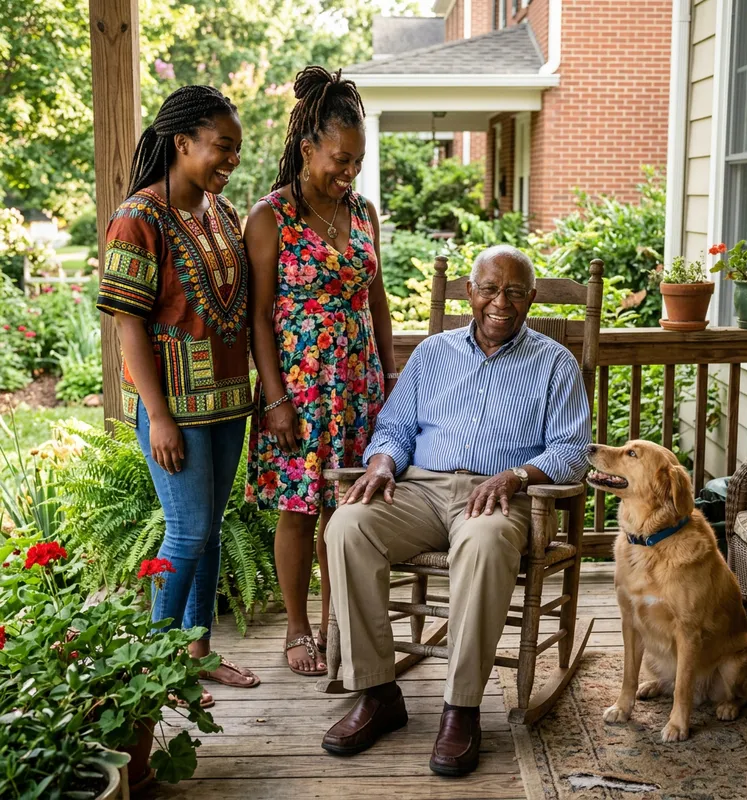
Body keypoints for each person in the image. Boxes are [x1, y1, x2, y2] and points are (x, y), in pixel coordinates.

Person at [321, 245, 591, 775]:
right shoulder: (432, 354)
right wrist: (380, 464)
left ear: (531, 299)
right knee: (349, 526)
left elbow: (571, 449)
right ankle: (378, 694)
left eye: (515, 291)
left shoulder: (554, 362)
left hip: (502, 496)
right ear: (470, 292)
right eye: (489, 288)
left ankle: (460, 708)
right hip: (419, 490)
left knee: (485, 543)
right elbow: (395, 427)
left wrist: (516, 475)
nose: (501, 302)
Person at [96, 86, 260, 708]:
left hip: (227, 404)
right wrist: (157, 415)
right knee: (188, 532)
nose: (230, 160)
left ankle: (197, 655)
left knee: (211, 530)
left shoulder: (219, 214)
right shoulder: (137, 218)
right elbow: (127, 322)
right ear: (182, 142)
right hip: (177, 414)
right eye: (222, 147)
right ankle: (153, 669)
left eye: (236, 150)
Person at [245, 66, 397, 676]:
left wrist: (391, 382)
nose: (348, 172)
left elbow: (377, 302)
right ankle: (299, 628)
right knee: (299, 509)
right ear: (307, 148)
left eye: (357, 161)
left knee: (347, 510)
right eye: (339, 158)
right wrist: (276, 400)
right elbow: (258, 318)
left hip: (358, 387)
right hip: (300, 391)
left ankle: (339, 624)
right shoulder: (270, 217)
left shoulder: (363, 213)